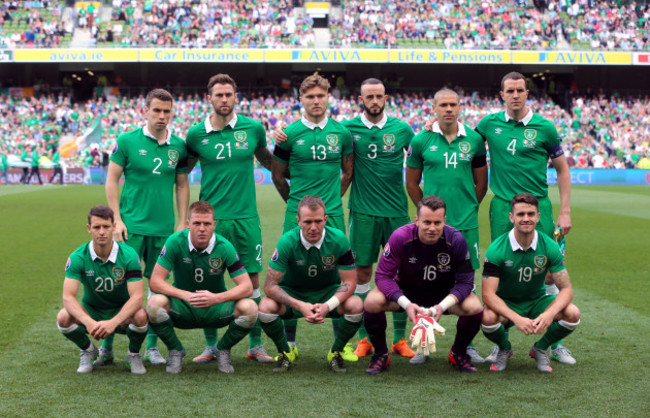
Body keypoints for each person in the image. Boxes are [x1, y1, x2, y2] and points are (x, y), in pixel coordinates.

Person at [475, 72, 574, 364]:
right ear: (501, 94)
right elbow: (462, 137)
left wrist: (565, 210)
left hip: (537, 206)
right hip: (503, 205)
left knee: (549, 269)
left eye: (520, 90)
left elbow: (563, 170)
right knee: (500, 268)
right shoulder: (488, 124)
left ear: (527, 92)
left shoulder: (544, 127)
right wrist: (431, 125)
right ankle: (500, 343)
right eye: (510, 90)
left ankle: (553, 343)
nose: (515, 95)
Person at [185, 74, 274, 364]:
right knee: (209, 281)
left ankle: (256, 345)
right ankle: (211, 346)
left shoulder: (253, 129)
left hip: (246, 218)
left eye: (229, 94)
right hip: (210, 221)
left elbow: (271, 162)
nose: (224, 99)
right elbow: (180, 173)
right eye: (219, 95)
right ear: (208, 98)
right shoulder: (196, 135)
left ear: (236, 96)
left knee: (252, 280)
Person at [271, 74, 354, 359]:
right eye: (310, 97)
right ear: (301, 100)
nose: (316, 101)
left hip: (332, 217)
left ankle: (337, 349)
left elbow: (347, 172)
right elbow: (278, 177)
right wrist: (295, 207)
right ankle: (289, 347)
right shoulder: (288, 135)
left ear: (328, 97)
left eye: (320, 96)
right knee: (290, 275)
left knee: (336, 275)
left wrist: (332, 202)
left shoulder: (341, 133)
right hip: (297, 216)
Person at [104, 88, 189, 367]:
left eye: (167, 111)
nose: (162, 116)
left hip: (164, 230)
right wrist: (116, 219)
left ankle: (151, 347)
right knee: (120, 288)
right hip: (130, 228)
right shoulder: (127, 141)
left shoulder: (178, 145)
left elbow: (182, 185)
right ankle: (106, 344)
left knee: (157, 291)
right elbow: (111, 180)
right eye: (157, 110)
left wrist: (180, 222)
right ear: (146, 110)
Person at [406, 88, 488, 363]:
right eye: (443, 105)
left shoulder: (475, 140)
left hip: (465, 223)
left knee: (469, 285)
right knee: (428, 281)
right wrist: (425, 216)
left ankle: (467, 346)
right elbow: (411, 182)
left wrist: (467, 208)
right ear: (434, 108)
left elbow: (481, 183)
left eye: (453, 104)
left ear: (460, 107)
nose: (449, 109)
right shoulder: (421, 140)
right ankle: (423, 344)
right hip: (431, 227)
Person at [363, 195, 484, 375]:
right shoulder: (400, 236)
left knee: (474, 306)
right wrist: (406, 304)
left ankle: (458, 353)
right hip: (407, 293)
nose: (432, 228)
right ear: (417, 220)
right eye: (427, 222)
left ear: (445, 220)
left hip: (443, 296)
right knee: (372, 301)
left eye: (437, 223)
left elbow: (466, 283)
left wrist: (441, 307)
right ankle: (381, 355)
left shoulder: (456, 239)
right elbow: (382, 277)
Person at [342, 78, 416, 360]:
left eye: (379, 96)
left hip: (397, 213)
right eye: (369, 97)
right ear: (361, 99)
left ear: (387, 97)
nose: (374, 101)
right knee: (361, 273)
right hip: (362, 212)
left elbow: (421, 149)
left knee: (402, 274)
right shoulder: (349, 128)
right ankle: (365, 339)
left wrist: (432, 128)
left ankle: (399, 339)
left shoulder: (401, 129)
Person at [146, 201, 258, 374]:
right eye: (197, 223)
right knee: (154, 303)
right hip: (183, 308)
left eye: (207, 223)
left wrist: (216, 298)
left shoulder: (224, 247)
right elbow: (155, 281)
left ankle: (222, 349)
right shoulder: (175, 241)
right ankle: (175, 350)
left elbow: (247, 287)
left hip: (215, 308)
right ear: (188, 223)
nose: (202, 228)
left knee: (250, 307)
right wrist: (185, 295)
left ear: (214, 224)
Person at [257, 196, 363, 372]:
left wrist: (329, 305)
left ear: (326, 219)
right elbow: (269, 286)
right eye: (307, 222)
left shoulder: (338, 239)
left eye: (318, 221)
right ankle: (285, 352)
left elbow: (350, 282)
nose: (313, 227)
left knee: (356, 304)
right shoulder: (287, 242)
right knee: (266, 306)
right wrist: (300, 305)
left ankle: (336, 352)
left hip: (327, 293)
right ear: (298, 221)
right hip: (293, 294)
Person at [481, 193, 581, 372]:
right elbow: (488, 295)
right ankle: (505, 348)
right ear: (511, 217)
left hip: (537, 301)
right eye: (520, 214)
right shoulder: (496, 249)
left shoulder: (550, 246)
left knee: (573, 313)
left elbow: (566, 290)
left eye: (530, 214)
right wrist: (516, 318)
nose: (526, 219)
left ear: (538, 216)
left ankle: (540, 348)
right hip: (507, 303)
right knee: (487, 318)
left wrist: (549, 314)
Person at [56, 205, 148, 374]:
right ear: (89, 229)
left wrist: (113, 322)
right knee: (63, 317)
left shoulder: (128, 255)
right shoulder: (78, 257)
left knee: (141, 316)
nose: (102, 232)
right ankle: (88, 349)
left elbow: (137, 297)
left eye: (106, 226)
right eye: (97, 227)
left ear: (114, 227)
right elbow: (68, 297)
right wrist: (88, 322)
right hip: (93, 310)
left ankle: (133, 354)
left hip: (121, 310)